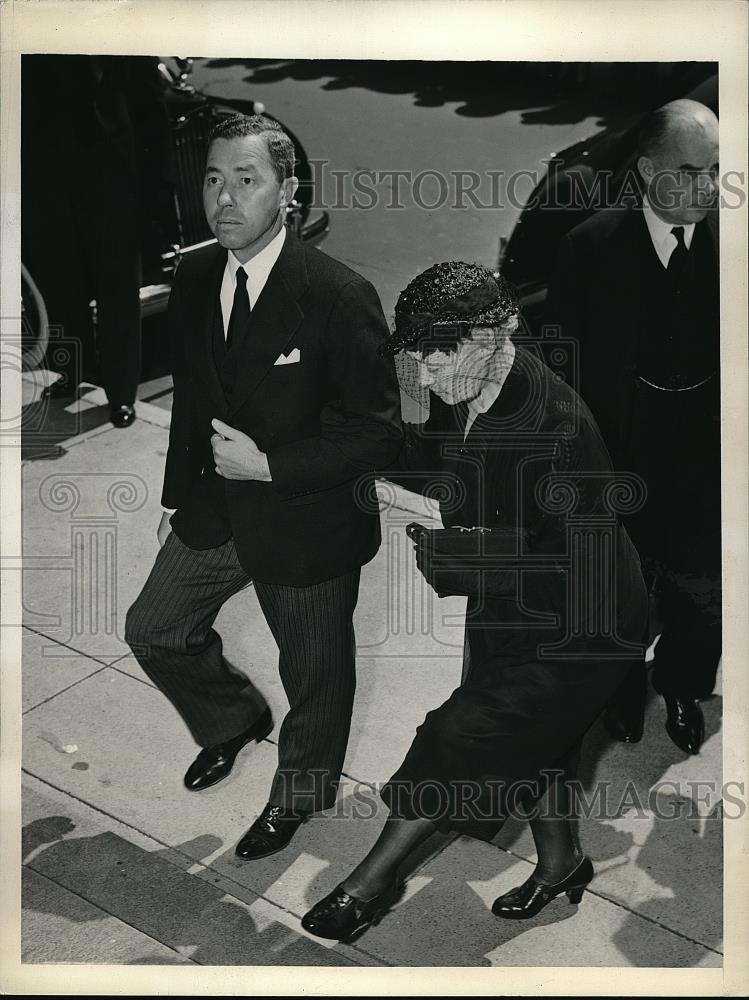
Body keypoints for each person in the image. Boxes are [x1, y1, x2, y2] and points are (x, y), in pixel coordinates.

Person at [301, 261, 648, 942]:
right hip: (514, 607)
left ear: (495, 334)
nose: (423, 375)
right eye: (415, 354)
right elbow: (429, 444)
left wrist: (453, 551)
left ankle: (369, 882)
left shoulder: (556, 429)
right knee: (538, 744)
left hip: (579, 625)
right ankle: (561, 863)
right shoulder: (462, 376)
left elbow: (573, 560)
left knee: (457, 737)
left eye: (437, 355)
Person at [125, 114, 402, 860]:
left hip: (306, 522)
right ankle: (232, 720)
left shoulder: (339, 295)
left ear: (287, 192)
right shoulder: (193, 273)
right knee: (153, 629)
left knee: (315, 677)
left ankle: (299, 795)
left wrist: (273, 468)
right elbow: (193, 397)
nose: (224, 198)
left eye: (246, 180)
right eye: (213, 179)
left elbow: (378, 433)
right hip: (216, 506)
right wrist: (176, 499)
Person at [544, 99, 720, 755]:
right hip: (620, 453)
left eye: (716, 171)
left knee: (701, 591)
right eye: (690, 171)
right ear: (648, 170)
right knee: (620, 587)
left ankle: (679, 688)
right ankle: (619, 688)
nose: (707, 188)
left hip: (706, 453)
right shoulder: (588, 248)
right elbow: (560, 371)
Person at [21, 54, 176, 427]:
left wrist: (155, 192)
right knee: (59, 279)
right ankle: (73, 373)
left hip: (113, 174)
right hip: (46, 172)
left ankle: (121, 394)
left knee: (117, 287)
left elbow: (151, 108)